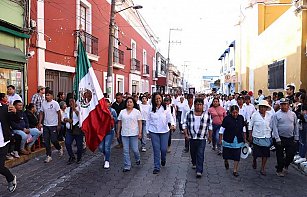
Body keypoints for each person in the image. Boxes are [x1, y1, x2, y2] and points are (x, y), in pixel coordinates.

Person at [147, 92, 175, 174]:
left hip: (164, 131)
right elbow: (148, 119)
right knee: (156, 149)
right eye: (156, 99)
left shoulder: (166, 107)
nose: (158, 100)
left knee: (163, 149)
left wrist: (172, 124)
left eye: (159, 98)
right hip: (153, 131)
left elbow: (170, 117)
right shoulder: (151, 108)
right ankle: (156, 167)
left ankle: (163, 159)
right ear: (153, 100)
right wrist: (147, 131)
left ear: (161, 99)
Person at [183, 98, 211, 178]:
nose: (198, 106)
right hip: (192, 137)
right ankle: (194, 162)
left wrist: (210, 136)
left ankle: (199, 170)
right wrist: (186, 134)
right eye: (197, 104)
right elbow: (184, 124)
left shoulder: (207, 115)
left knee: (200, 153)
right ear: (194, 105)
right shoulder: (189, 114)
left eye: (200, 104)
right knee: (193, 152)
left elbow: (210, 126)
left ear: (203, 106)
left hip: (202, 138)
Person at [271, 98, 299, 177]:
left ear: (288, 105)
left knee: (291, 154)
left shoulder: (293, 114)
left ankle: (285, 164)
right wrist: (277, 138)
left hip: (290, 137)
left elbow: (296, 125)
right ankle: (279, 169)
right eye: (282, 104)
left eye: (285, 104)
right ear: (280, 105)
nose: (283, 106)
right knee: (279, 155)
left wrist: (296, 137)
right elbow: (274, 127)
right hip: (280, 137)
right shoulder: (276, 115)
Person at [219, 105, 246, 177]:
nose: (235, 114)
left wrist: (245, 138)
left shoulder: (241, 118)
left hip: (238, 139)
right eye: (233, 113)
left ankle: (235, 170)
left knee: (237, 155)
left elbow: (243, 128)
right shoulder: (227, 119)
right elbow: (222, 129)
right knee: (226, 154)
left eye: (236, 112)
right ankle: (226, 160)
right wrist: (220, 139)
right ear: (231, 112)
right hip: (228, 139)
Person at [117, 97, 142, 172]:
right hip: (124, 133)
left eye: (131, 102)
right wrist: (118, 132)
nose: (129, 103)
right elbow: (119, 122)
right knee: (125, 150)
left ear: (133, 103)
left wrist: (140, 132)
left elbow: (140, 122)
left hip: (134, 133)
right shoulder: (122, 112)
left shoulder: (137, 112)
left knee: (135, 150)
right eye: (128, 102)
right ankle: (127, 165)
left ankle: (137, 158)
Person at [38, 90, 64, 163]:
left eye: (48, 95)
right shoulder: (43, 103)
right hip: (46, 125)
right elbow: (41, 113)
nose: (47, 96)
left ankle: (59, 148)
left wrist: (59, 124)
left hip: (53, 125)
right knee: (46, 141)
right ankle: (48, 156)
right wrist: (40, 122)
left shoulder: (55, 104)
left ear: (52, 96)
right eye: (46, 95)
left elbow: (59, 114)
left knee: (54, 140)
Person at [248, 100, 273, 176]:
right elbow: (250, 125)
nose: (262, 109)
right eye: (261, 107)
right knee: (256, 153)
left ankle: (263, 168)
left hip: (266, 136)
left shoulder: (270, 115)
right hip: (257, 137)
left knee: (265, 154)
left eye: (264, 107)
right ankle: (254, 160)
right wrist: (250, 135)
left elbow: (272, 126)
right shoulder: (255, 115)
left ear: (266, 108)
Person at [0, 101, 17, 192]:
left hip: (2, 142)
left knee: (0, 167)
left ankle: (11, 178)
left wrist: (14, 112)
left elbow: (16, 120)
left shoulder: (5, 108)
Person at [99, 98, 117, 169]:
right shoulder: (100, 111)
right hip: (101, 131)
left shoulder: (112, 111)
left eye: (107, 103)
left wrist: (113, 118)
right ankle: (105, 154)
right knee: (101, 147)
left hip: (109, 131)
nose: (106, 104)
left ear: (109, 104)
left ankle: (107, 160)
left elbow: (116, 120)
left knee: (107, 146)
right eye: (104, 103)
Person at [63, 98, 83, 165]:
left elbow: (81, 118)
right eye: (70, 102)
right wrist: (67, 119)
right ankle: (71, 156)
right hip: (69, 130)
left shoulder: (79, 109)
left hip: (77, 130)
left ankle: (79, 158)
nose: (71, 103)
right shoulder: (67, 109)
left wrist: (75, 110)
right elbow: (63, 118)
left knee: (79, 145)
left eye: (72, 102)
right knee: (67, 143)